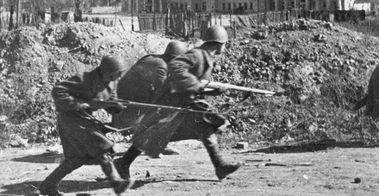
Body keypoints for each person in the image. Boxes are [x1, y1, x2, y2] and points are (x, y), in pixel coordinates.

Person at [114, 25, 241, 180]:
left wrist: (217, 90)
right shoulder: (197, 55)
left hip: (188, 103)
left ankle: (219, 166)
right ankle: (123, 163)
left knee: (205, 127)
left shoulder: (207, 58)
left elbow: (200, 84)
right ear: (218, 44)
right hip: (171, 102)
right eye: (225, 44)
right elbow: (175, 66)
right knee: (152, 132)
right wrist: (197, 85)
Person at [39, 55, 135, 196]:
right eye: (119, 73)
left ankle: (47, 186)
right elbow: (58, 90)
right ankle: (116, 183)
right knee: (102, 147)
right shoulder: (84, 79)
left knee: (77, 158)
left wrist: (116, 107)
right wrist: (76, 105)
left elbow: (108, 102)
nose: (120, 76)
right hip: (70, 119)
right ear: (108, 72)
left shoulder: (112, 83)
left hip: (84, 119)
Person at [113, 40, 189, 158]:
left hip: (134, 93)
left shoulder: (158, 60)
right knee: (164, 110)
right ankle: (155, 144)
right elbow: (164, 90)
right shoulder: (161, 66)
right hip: (129, 97)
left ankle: (157, 143)